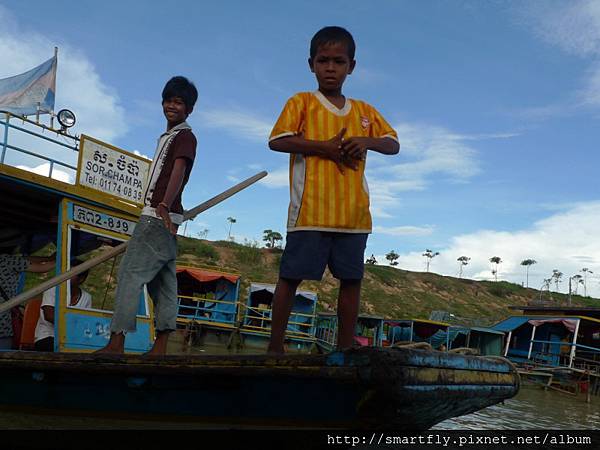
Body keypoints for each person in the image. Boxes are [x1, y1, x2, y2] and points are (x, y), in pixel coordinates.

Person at [267, 27, 399, 354]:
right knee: (291, 277)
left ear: (351, 66)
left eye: (338, 61)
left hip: (353, 215)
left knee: (351, 281)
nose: (330, 67)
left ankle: (343, 352)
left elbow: (393, 143)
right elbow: (277, 140)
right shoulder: (301, 102)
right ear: (311, 64)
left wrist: (366, 141)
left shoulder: (365, 112)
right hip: (310, 211)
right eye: (323, 60)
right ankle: (274, 348)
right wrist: (323, 148)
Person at [96, 76, 198, 355]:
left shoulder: (184, 136)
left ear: (189, 109)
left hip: (156, 216)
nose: (172, 106)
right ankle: (161, 345)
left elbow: (179, 170)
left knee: (130, 275)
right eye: (169, 100)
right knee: (164, 282)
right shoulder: (170, 136)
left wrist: (164, 203)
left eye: (179, 102)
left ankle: (117, 342)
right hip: (167, 219)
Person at [0, 248, 56, 349]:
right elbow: (43, 268)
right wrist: (63, 258)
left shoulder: (11, 260)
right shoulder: (8, 260)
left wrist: (48, 258)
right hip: (3, 322)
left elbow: (25, 259)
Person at [33, 262, 92, 351]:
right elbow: (49, 316)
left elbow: (85, 321)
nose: (66, 276)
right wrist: (75, 323)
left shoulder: (87, 297)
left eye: (70, 274)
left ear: (81, 279)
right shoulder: (52, 289)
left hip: (72, 340)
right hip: (48, 336)